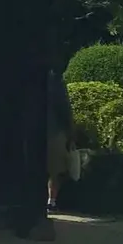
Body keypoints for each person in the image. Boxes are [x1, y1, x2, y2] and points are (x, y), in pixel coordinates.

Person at [46, 67, 74, 214]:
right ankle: (51, 201)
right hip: (53, 130)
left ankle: (49, 201)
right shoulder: (55, 80)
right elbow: (64, 107)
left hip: (47, 129)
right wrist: (70, 130)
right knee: (55, 169)